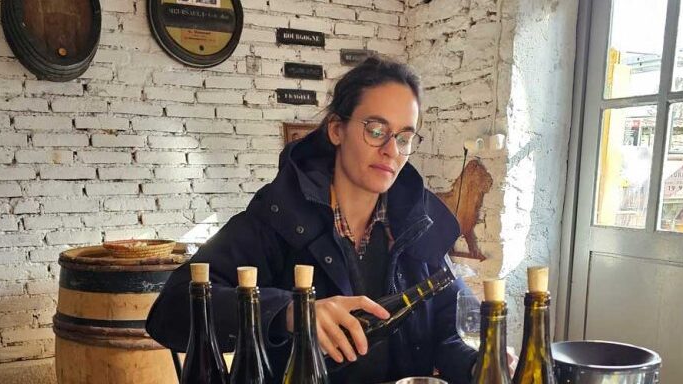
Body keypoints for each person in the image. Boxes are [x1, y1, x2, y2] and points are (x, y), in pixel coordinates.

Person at [146, 56, 477, 383]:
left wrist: (480, 363)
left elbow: (451, 334)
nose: (392, 150)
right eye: (376, 130)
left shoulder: (420, 226)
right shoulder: (279, 216)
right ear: (336, 129)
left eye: (404, 138)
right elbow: (170, 312)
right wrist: (290, 312)